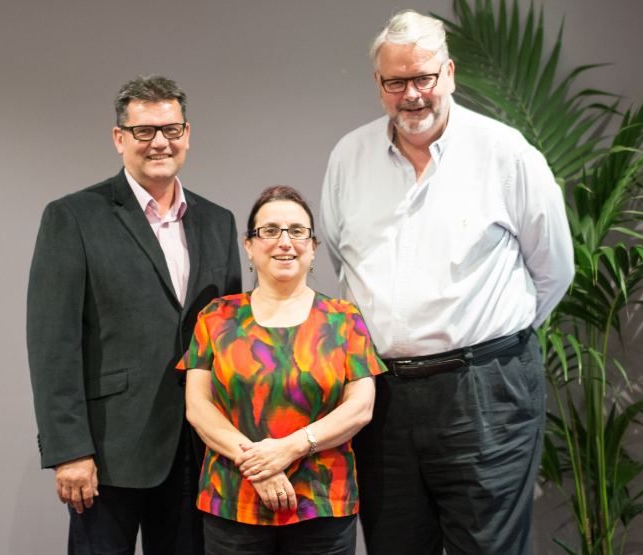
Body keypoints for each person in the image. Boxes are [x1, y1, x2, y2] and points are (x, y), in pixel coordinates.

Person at [320, 10, 575, 555]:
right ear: (378, 84)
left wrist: (489, 347)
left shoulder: (503, 152)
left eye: (424, 78)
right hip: (382, 398)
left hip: (485, 390)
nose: (412, 94)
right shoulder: (349, 157)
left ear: (450, 74)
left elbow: (554, 268)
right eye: (396, 82)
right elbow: (343, 261)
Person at [26, 74, 242, 555]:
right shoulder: (74, 217)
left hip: (199, 449)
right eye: (144, 131)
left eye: (171, 129)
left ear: (188, 134)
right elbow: (52, 345)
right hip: (107, 452)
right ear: (119, 138)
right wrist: (69, 451)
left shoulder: (219, 221)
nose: (159, 142)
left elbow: (227, 339)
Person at [178, 186, 386, 555]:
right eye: (270, 230)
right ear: (249, 245)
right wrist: (262, 466)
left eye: (297, 230)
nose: (284, 242)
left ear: (314, 246)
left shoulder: (344, 318)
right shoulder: (216, 317)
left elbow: (360, 408)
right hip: (233, 498)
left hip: (322, 500)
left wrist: (288, 449)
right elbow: (198, 406)